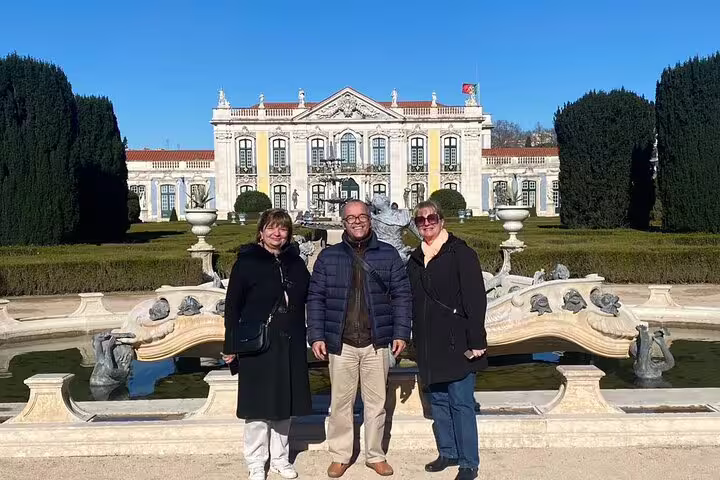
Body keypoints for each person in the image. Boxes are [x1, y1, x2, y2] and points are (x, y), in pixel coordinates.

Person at [307, 199, 412, 478]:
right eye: (351, 217)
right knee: (340, 404)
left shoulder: (388, 255)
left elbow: (402, 295)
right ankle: (341, 455)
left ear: (370, 220)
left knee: (376, 404)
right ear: (343, 222)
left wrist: (401, 332)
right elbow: (315, 298)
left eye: (362, 216)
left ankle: (375, 455)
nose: (357, 221)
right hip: (341, 343)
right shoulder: (329, 257)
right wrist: (316, 335)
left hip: (376, 341)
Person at [223, 209, 312, 480]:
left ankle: (281, 460)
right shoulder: (246, 262)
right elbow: (232, 306)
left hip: (291, 340)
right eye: (272, 228)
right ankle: (255, 461)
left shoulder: (295, 263)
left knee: (285, 406)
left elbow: (309, 297)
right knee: (258, 408)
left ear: (288, 234)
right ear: (261, 231)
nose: (277, 233)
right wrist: (231, 344)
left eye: (283, 229)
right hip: (258, 343)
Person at [405, 200, 488, 480]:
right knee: (438, 400)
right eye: (421, 220)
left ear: (442, 220)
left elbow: (476, 298)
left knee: (461, 402)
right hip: (429, 341)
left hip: (457, 340)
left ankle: (468, 462)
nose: (426, 223)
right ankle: (448, 452)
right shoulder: (415, 259)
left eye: (432, 218)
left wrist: (477, 339)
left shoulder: (460, 253)